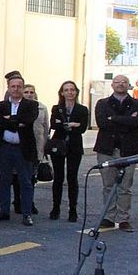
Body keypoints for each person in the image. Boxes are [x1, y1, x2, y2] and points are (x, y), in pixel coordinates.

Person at [93, 75, 138, 231]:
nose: (120, 85)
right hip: (107, 149)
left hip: (129, 150)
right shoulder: (102, 103)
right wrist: (126, 119)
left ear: (128, 85)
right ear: (112, 85)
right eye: (117, 82)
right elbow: (102, 123)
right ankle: (109, 217)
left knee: (125, 187)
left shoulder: (137, 104)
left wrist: (113, 118)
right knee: (108, 186)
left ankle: (123, 219)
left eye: (124, 82)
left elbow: (136, 122)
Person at [0, 73, 39, 227]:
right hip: (5, 148)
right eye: (13, 86)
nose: (16, 89)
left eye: (19, 86)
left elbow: (28, 120)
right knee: (4, 180)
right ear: (8, 88)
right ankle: (4, 211)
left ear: (23, 88)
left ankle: (26, 214)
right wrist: (16, 122)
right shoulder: (1, 106)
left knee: (25, 181)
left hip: (23, 148)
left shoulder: (31, 105)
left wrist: (9, 120)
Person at [46, 80, 90, 223]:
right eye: (66, 90)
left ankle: (73, 210)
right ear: (62, 93)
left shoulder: (82, 109)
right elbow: (54, 124)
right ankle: (55, 208)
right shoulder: (57, 108)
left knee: (72, 177)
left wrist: (70, 125)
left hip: (74, 145)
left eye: (72, 90)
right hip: (58, 144)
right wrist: (72, 124)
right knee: (58, 177)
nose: (70, 92)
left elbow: (82, 128)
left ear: (76, 92)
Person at [20, 83, 50, 216]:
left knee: (32, 176)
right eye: (26, 92)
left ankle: (29, 202)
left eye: (31, 92)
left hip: (37, 146)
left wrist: (43, 147)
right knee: (19, 176)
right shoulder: (18, 106)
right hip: (22, 145)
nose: (29, 95)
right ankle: (19, 201)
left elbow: (46, 128)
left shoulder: (42, 108)